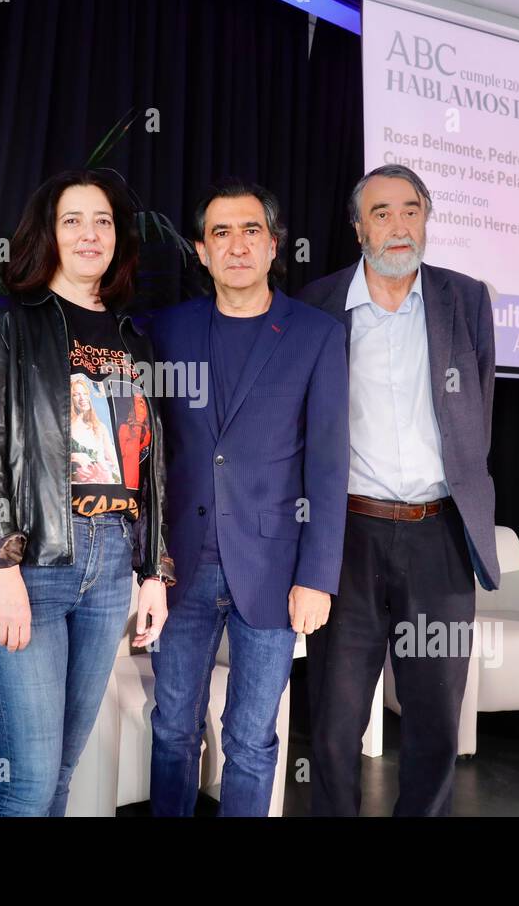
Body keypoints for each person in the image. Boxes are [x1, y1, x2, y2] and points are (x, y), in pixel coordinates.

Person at [0, 169, 173, 816]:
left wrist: (153, 571)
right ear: (46, 234)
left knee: (61, 776)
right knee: (24, 782)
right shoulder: (3, 323)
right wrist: (1, 563)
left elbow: (149, 463)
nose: (88, 233)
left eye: (101, 220)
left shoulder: (136, 340)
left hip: (108, 568)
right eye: (71, 219)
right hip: (29, 562)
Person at [300, 163, 499, 817]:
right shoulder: (317, 305)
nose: (398, 225)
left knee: (437, 718)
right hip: (345, 538)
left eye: (411, 210)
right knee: (333, 724)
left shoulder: (465, 300)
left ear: (426, 219)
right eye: (381, 212)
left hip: (438, 537)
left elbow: (478, 409)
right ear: (358, 227)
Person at [146, 181, 349, 817]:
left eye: (251, 231)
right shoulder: (164, 331)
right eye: (221, 234)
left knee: (253, 741)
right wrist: (145, 563)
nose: (237, 245)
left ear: (273, 246)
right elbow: (146, 452)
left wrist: (317, 576)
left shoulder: (316, 335)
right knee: (173, 729)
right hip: (181, 567)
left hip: (274, 569)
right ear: (201, 252)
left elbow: (328, 462)